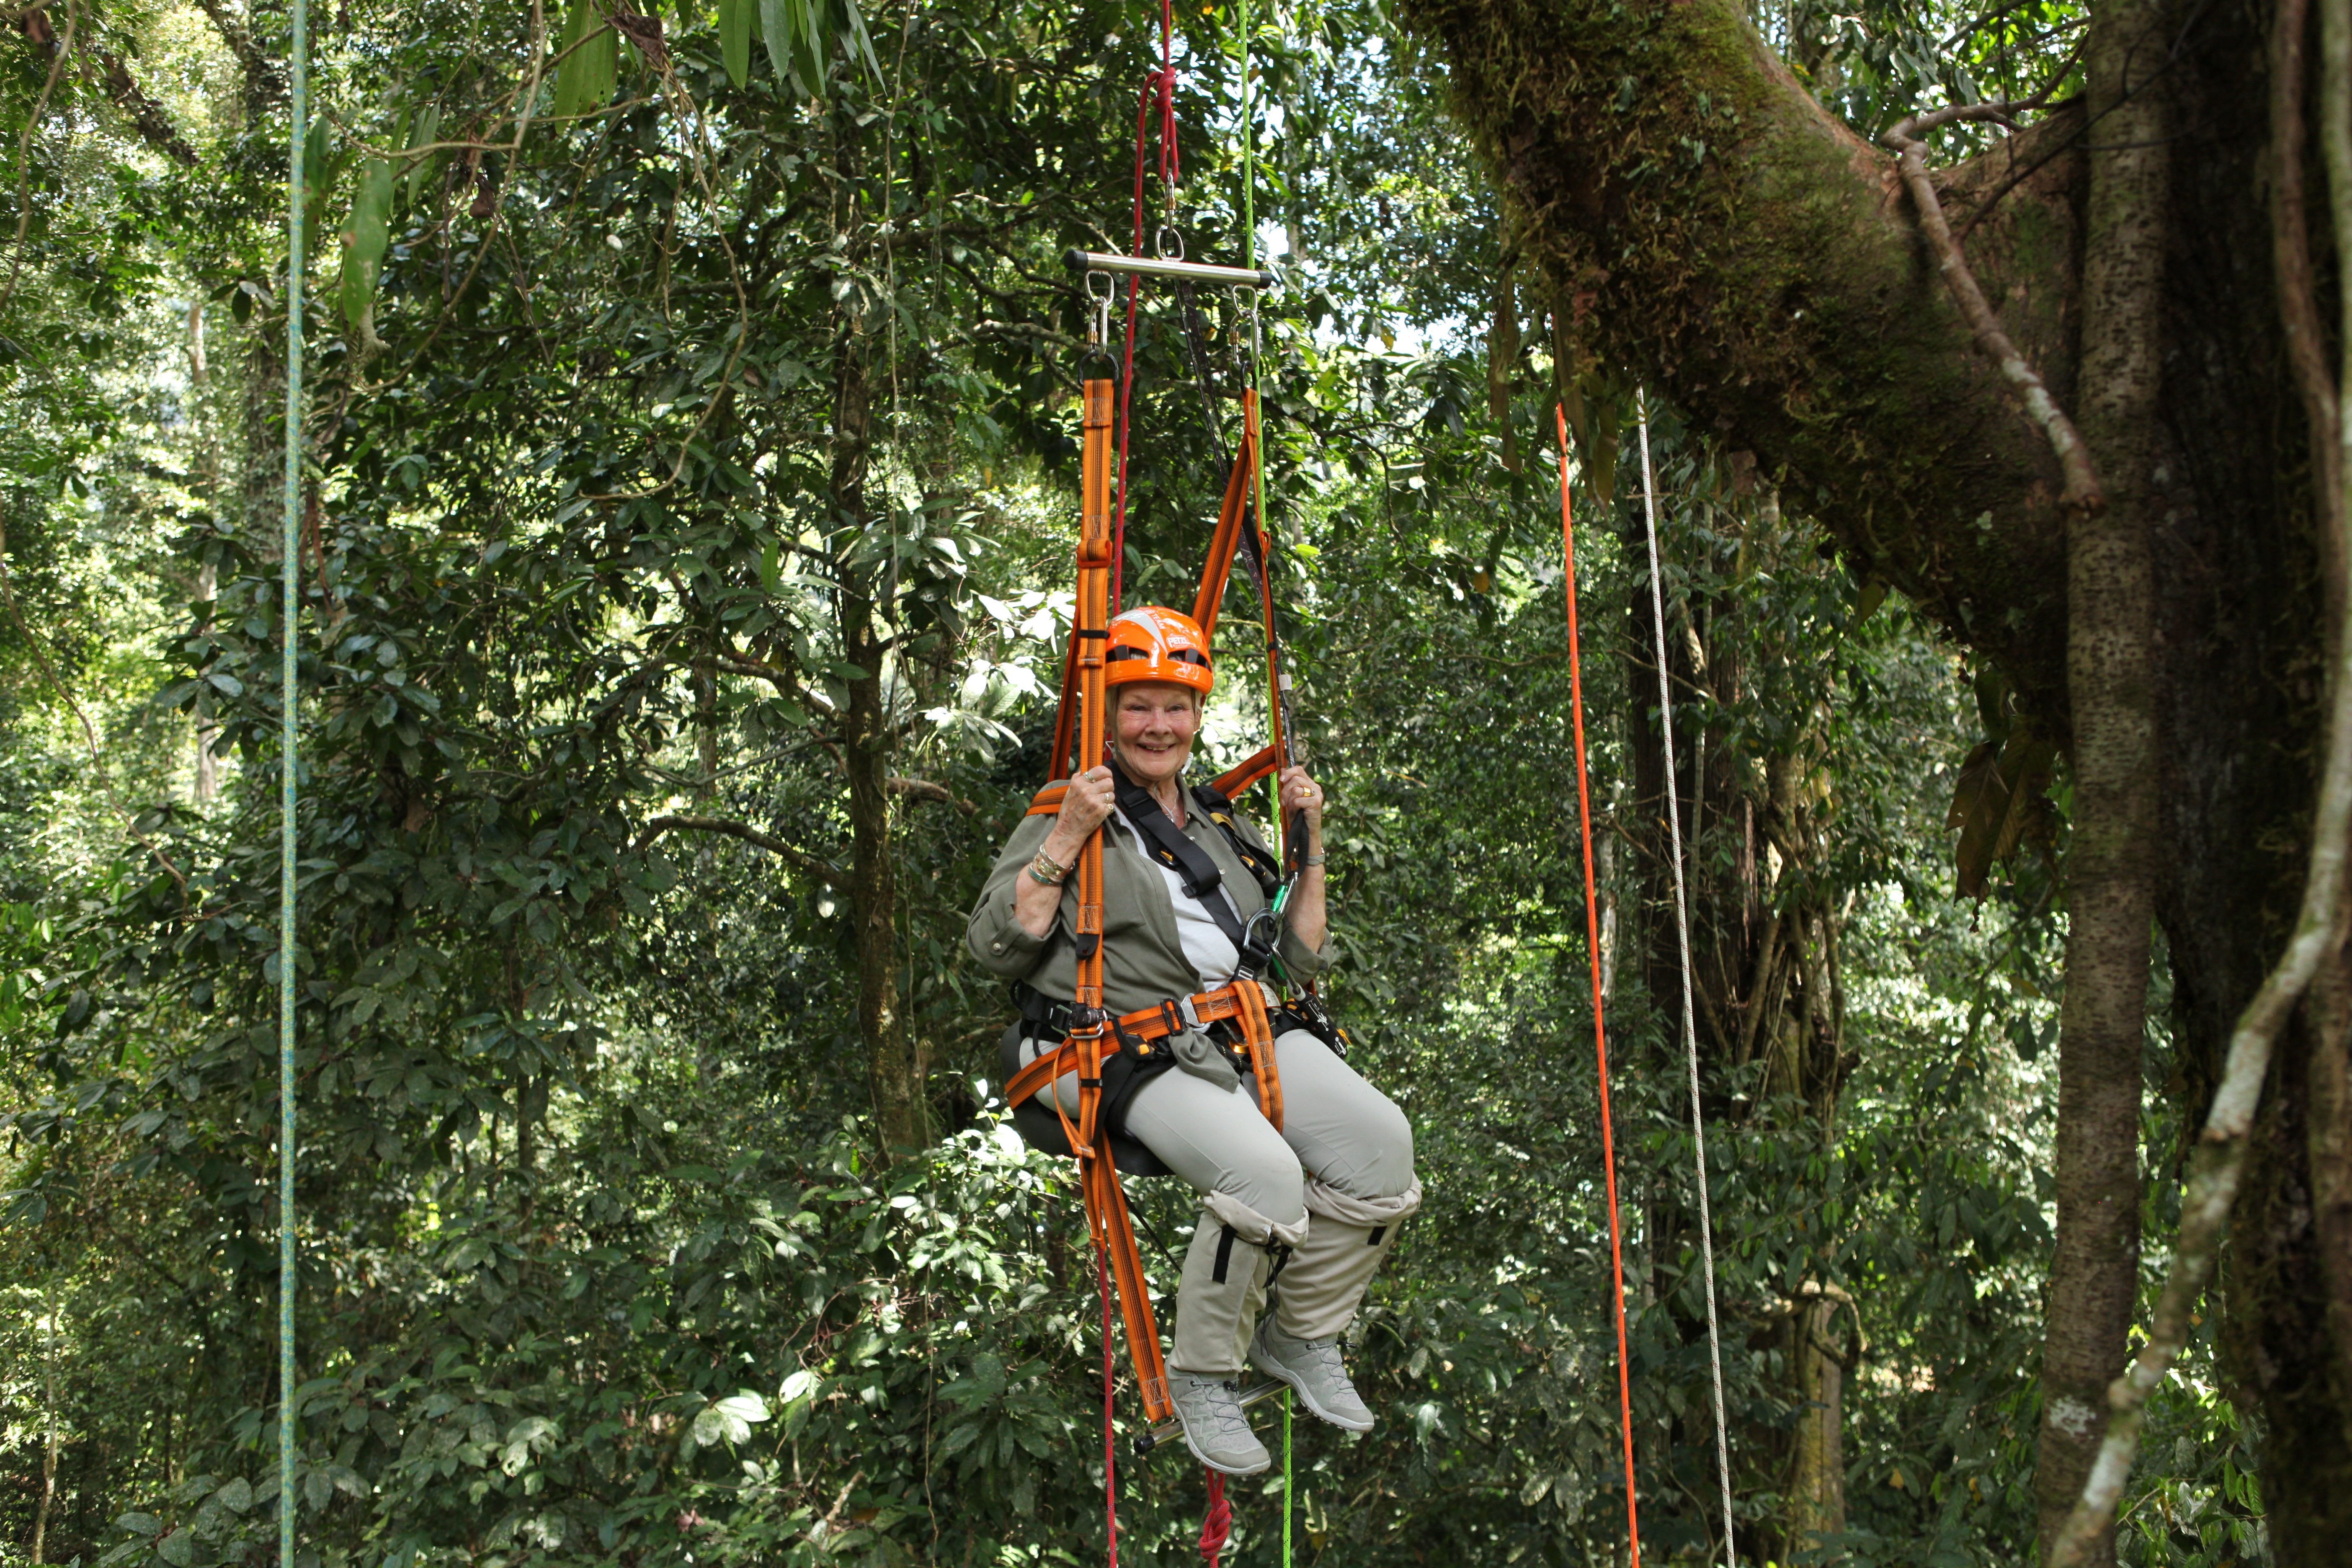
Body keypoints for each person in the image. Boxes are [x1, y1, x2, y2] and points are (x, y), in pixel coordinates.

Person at [966, 605, 1421, 1476]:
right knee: (1268, 1174)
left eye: (1174, 708)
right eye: (1138, 707)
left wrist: (1310, 841)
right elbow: (996, 946)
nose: (1158, 726)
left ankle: (1299, 1335)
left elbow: (1304, 955)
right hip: (1101, 1044)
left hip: (1232, 1028)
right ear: (1110, 714)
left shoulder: (1216, 820)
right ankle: (1202, 1375)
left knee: (1381, 1150)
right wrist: (1067, 836)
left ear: (1199, 715)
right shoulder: (1070, 808)